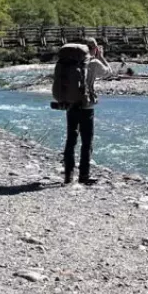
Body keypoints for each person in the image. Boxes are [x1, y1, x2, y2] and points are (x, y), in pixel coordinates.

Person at [63, 37, 110, 186]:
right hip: (87, 106)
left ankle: (68, 176)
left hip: (71, 104)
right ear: (94, 48)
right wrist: (101, 56)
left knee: (71, 140)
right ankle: (84, 175)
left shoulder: (69, 62)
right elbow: (109, 72)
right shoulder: (94, 62)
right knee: (87, 142)